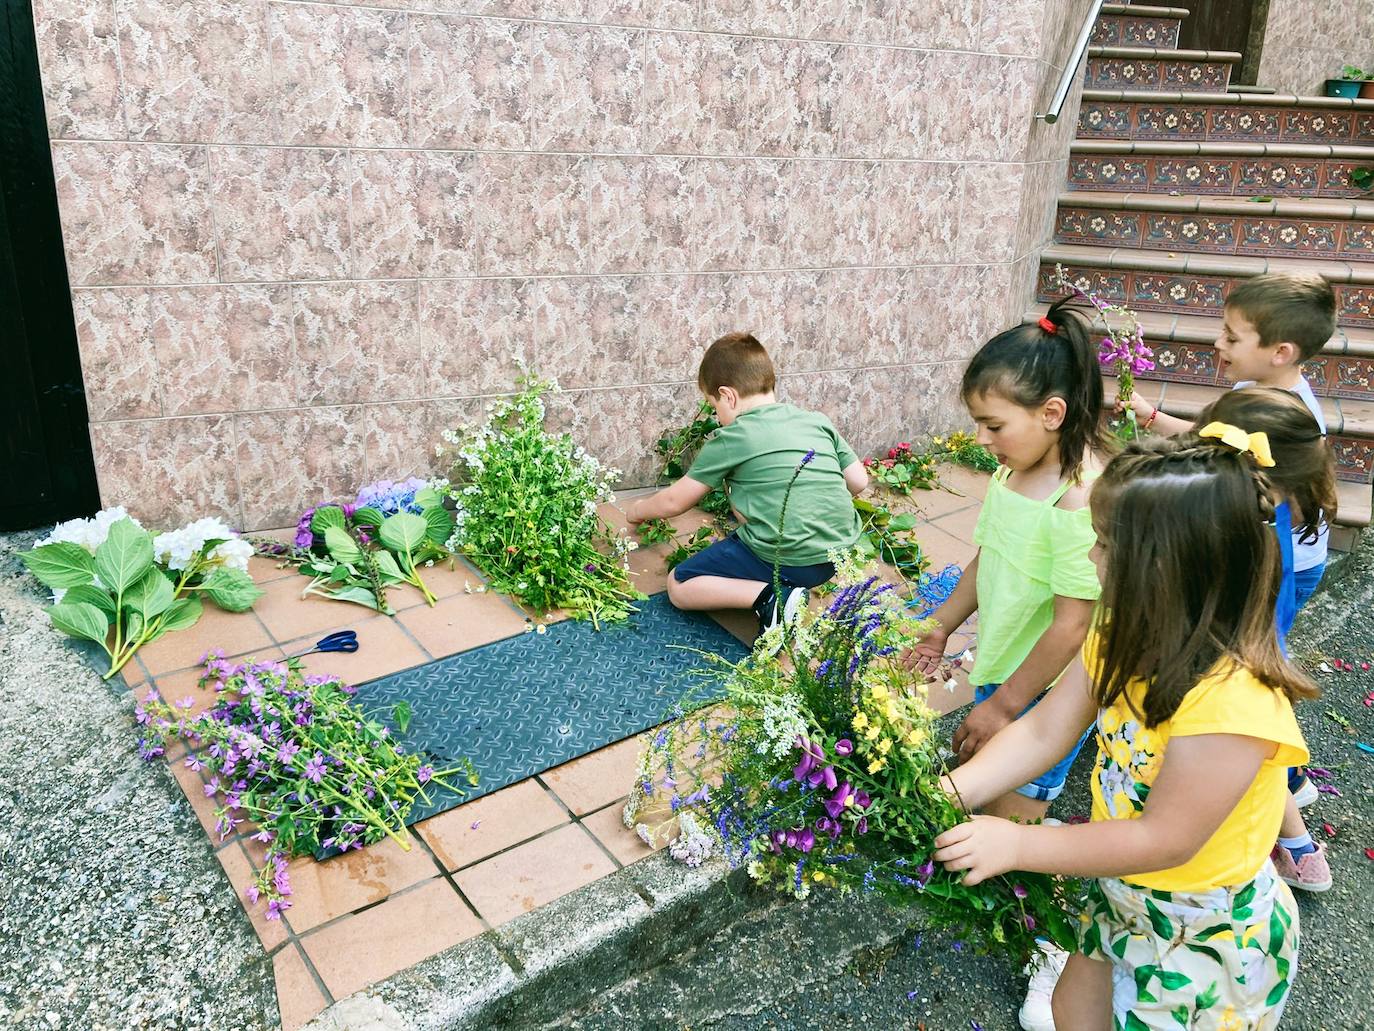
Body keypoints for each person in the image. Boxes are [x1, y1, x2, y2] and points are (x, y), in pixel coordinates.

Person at [935, 432, 1315, 1031]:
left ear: (1164, 570)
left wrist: (1019, 847)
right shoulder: (1122, 635)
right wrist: (952, 793)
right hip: (1121, 886)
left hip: (1200, 930)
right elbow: (1043, 732)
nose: (1091, 557)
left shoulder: (1234, 702)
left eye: (1105, 544)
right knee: (1070, 1010)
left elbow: (1164, 839)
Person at [626, 332, 866, 637]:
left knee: (679, 585)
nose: (717, 416)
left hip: (787, 559)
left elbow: (675, 501)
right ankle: (785, 584)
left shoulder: (733, 437)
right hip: (835, 556)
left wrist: (637, 511)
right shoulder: (816, 420)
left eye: (714, 406)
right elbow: (859, 481)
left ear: (728, 396)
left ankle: (772, 599)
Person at [1196, 388, 1338, 893]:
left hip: (1235, 661)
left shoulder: (1238, 528)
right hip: (1257, 651)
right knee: (1263, 750)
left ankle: (1298, 848)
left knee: (1255, 758)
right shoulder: (1265, 508)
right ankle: (1298, 814)